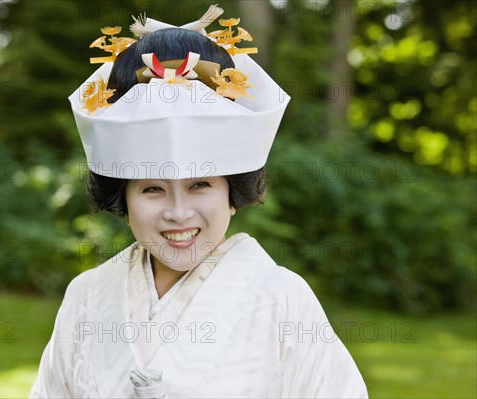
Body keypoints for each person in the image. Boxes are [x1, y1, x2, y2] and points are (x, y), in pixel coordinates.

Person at [31, 5, 367, 398]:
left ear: (232, 194)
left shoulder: (280, 298)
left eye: (201, 184)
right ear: (122, 196)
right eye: (151, 188)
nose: (178, 213)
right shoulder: (87, 296)